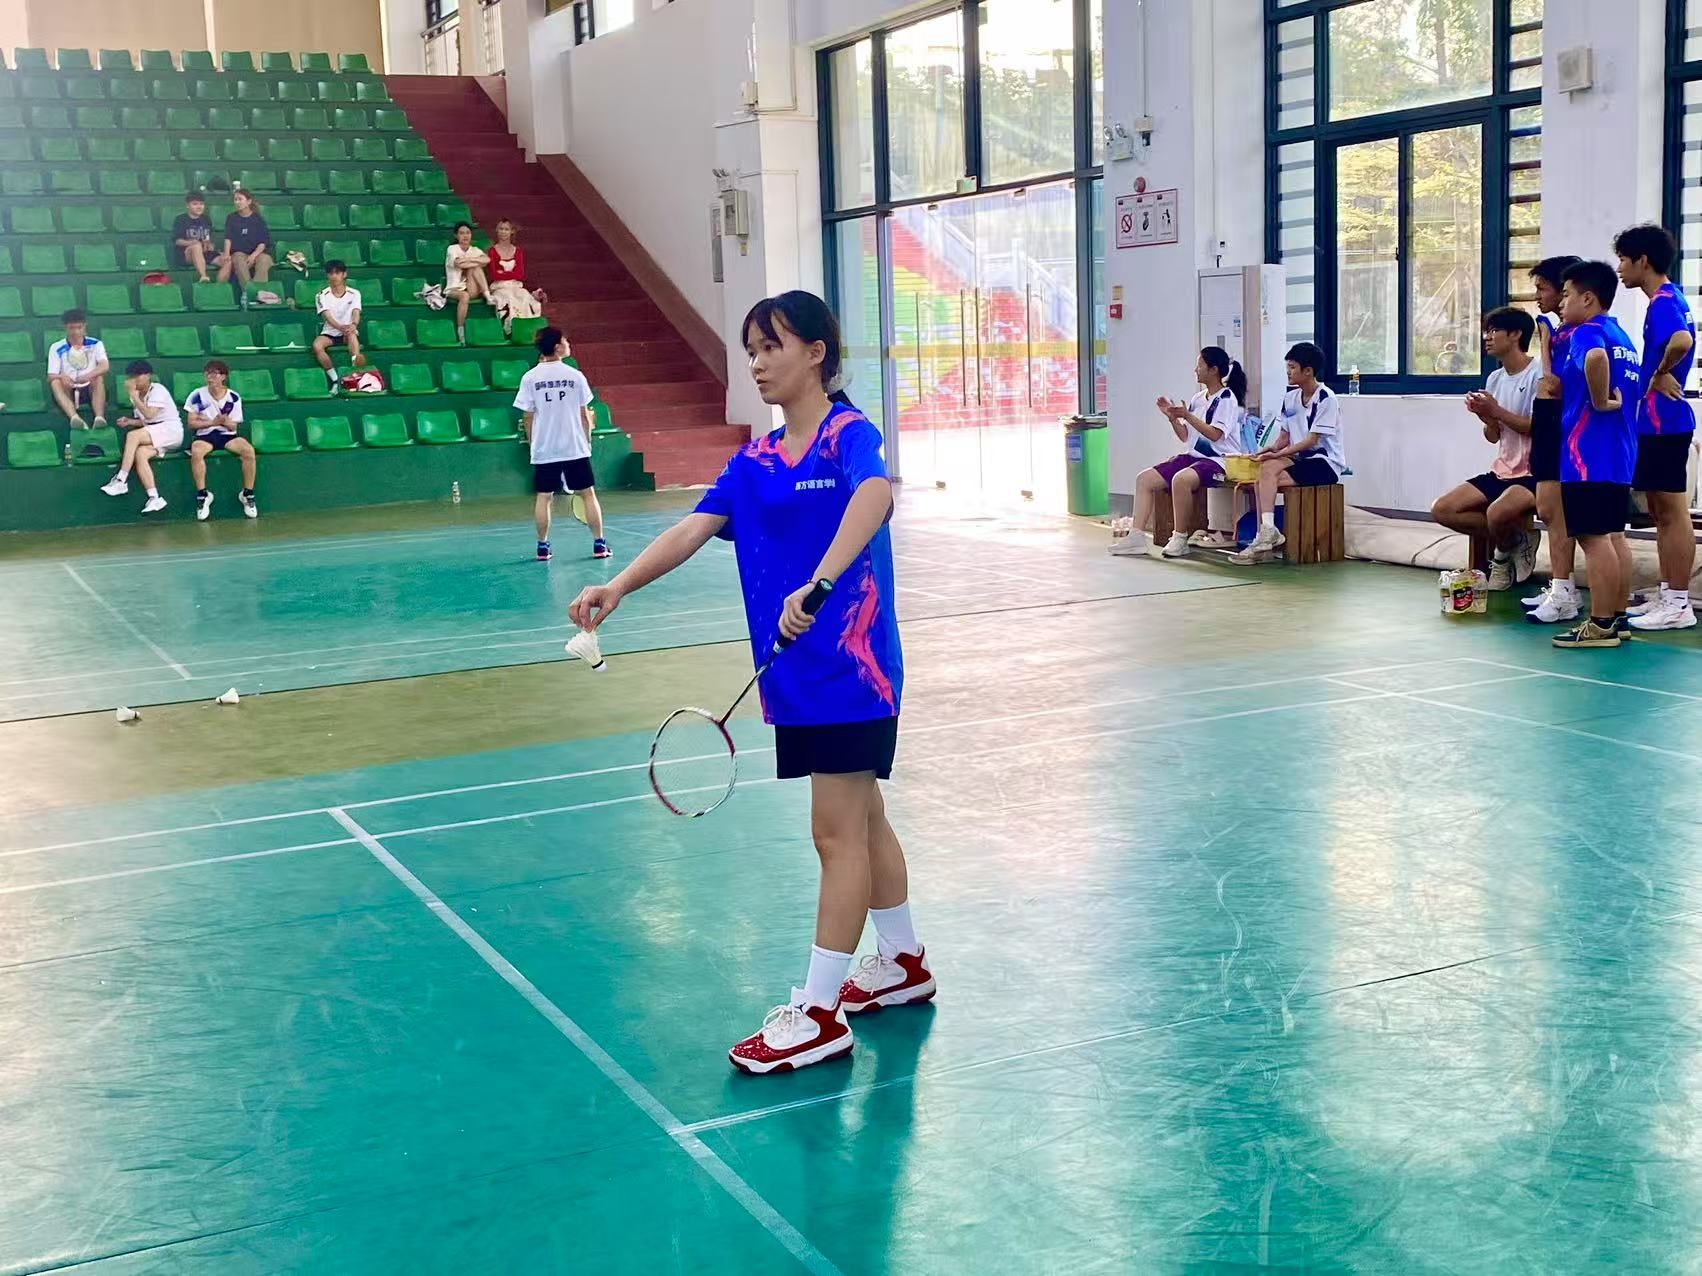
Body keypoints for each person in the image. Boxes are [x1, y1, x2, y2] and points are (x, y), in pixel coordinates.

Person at [567, 290, 929, 1075]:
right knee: (863, 819)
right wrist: (618, 586)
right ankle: (902, 963)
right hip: (796, 678)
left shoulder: (845, 436)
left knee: (834, 834)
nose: (759, 363)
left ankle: (820, 1013)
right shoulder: (756, 462)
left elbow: (876, 496)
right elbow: (690, 530)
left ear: (817, 353)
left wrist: (820, 584)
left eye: (773, 346)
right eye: (752, 349)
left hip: (853, 669)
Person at [1550, 260, 1640, 649]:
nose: (1561, 303)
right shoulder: (1621, 335)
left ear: (1587, 298)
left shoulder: (1587, 332)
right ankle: (1617, 617)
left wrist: (1600, 401)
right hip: (1620, 452)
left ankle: (1600, 624)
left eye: (1566, 295)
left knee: (1593, 538)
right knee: (1614, 536)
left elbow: (1595, 359)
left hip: (1587, 453)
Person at [1615, 224, 1698, 631]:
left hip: (1666, 423)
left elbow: (1681, 341)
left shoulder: (1663, 301)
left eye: (1623, 260)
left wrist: (1660, 372)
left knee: (1671, 513)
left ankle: (1679, 603)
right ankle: (1668, 596)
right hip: (1657, 424)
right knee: (1662, 514)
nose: (1619, 269)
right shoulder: (1671, 297)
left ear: (1642, 261)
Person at [1429, 307, 1542, 590]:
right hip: (1503, 469)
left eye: (1493, 331)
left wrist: (1496, 411)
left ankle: (1501, 557)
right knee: (1443, 509)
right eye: (1486, 332)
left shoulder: (1538, 373)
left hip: (1535, 471)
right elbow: (1493, 436)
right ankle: (1516, 540)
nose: (1487, 338)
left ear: (1515, 335)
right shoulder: (1495, 378)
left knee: (1496, 512)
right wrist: (1486, 418)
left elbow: (1537, 427)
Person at [1110, 346, 1247, 559]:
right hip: (1193, 457)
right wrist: (1172, 418)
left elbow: (1215, 435)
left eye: (1200, 365)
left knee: (1181, 480)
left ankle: (1180, 538)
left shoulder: (1227, 399)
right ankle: (1136, 537)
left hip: (1219, 461)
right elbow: (1185, 436)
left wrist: (1188, 416)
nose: (1195, 370)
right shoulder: (1198, 398)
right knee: (1144, 479)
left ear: (1213, 370)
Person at [1229, 342, 1346, 564]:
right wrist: (1270, 449)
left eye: (1292, 367)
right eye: (1288, 367)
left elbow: (1311, 441)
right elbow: (1284, 437)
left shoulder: (1326, 399)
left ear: (1308, 371)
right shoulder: (1290, 398)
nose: (1288, 372)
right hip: (1299, 461)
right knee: (1262, 478)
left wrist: (1277, 456)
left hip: (1326, 464)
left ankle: (1266, 534)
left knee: (1268, 470)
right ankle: (1265, 537)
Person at [1522, 255, 1586, 624]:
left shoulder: (1576, 333)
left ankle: (1563, 592)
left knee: (1554, 509)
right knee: (1547, 509)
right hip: (1547, 420)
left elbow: (1555, 383)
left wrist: (1545, 342)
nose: (1538, 296)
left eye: (1542, 288)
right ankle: (1564, 587)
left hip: (1562, 423)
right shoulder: (1560, 329)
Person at [516, 326, 608, 561]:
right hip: (574, 448)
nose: (569, 344)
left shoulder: (530, 377)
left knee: (544, 497)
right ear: (557, 347)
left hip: (545, 449)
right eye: (565, 341)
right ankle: (599, 544)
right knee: (588, 495)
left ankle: (542, 547)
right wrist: (587, 441)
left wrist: (534, 444)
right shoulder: (575, 376)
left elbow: (528, 416)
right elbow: (584, 414)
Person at [98, 361, 183, 515]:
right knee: (140, 454)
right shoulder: (136, 396)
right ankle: (154, 497)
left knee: (133, 435)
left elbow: (150, 414)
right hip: (156, 432)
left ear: (148, 375)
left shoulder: (158, 390)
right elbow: (146, 421)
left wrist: (133, 397)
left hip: (171, 431)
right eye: (132, 376)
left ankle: (121, 480)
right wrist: (130, 421)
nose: (135, 379)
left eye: (138, 375)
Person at [184, 359, 258, 521]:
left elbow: (233, 426)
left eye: (214, 374)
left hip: (227, 436)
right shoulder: (197, 395)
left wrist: (225, 422)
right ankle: (203, 496)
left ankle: (247, 494)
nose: (210, 377)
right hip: (205, 436)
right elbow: (191, 423)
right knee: (196, 451)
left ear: (223, 377)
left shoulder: (233, 397)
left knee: (248, 451)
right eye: (207, 374)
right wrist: (212, 422)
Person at [46, 309, 108, 429]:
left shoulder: (96, 344)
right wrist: (62, 376)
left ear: (84, 326)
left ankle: (99, 418)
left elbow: (104, 365)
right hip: (68, 388)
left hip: (89, 387)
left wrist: (88, 376)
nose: (76, 332)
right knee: (55, 382)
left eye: (79, 327)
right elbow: (50, 376)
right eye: (72, 328)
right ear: (65, 327)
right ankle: (74, 418)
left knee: (98, 377)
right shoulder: (56, 347)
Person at [312, 261, 364, 391]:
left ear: (344, 274)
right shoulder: (321, 295)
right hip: (330, 333)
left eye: (337, 273)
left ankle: (355, 375)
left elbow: (356, 312)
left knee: (352, 335)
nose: (334, 276)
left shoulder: (355, 293)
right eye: (331, 273)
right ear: (327, 275)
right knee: (317, 345)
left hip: (349, 331)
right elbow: (327, 317)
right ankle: (335, 380)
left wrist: (353, 325)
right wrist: (341, 328)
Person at [485, 218, 541, 333]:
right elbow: (494, 275)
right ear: (497, 231)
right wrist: (510, 274)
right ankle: (511, 329)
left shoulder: (518, 251)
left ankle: (528, 329)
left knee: (524, 296)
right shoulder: (492, 251)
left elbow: (520, 274)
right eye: (501, 229)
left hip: (515, 285)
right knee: (508, 298)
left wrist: (503, 273)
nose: (503, 232)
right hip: (499, 287)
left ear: (512, 231)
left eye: (506, 229)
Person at [215, 189, 273, 288]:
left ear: (248, 201)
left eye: (240, 199)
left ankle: (258, 291)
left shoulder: (258, 219)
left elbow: (263, 242)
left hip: (256, 253)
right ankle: (247, 291)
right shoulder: (231, 218)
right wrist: (227, 254)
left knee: (265, 259)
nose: (237, 202)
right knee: (238, 258)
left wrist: (253, 256)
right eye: (235, 199)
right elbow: (228, 238)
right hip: (239, 253)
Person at [445, 222, 490, 344]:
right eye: (461, 233)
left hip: (471, 288)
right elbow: (459, 263)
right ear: (456, 236)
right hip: (453, 288)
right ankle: (460, 330)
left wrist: (469, 259)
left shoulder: (474, 250)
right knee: (464, 296)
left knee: (475, 268)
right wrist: (476, 261)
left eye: (468, 233)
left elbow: (487, 260)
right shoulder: (452, 249)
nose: (465, 236)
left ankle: (488, 296)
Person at [171, 191, 215, 284]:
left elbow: (207, 237)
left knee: (226, 260)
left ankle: (219, 286)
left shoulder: (206, 219)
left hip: (204, 253)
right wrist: (193, 243)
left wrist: (208, 244)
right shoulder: (180, 219)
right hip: (185, 254)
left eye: (201, 204)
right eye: (195, 204)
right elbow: (177, 241)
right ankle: (203, 276)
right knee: (196, 246)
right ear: (188, 205)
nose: (199, 207)